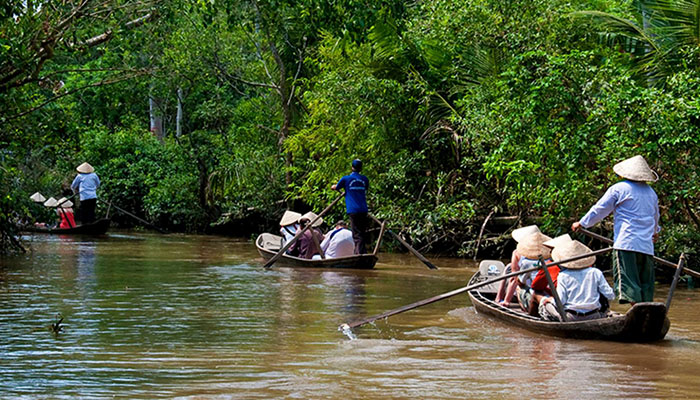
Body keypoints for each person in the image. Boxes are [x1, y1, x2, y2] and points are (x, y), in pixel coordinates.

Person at [571, 155, 660, 305]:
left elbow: (600, 209)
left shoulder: (619, 188)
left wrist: (582, 223)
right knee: (644, 284)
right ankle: (645, 312)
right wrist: (655, 232)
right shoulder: (651, 193)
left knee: (629, 284)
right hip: (646, 246)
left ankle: (638, 313)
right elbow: (655, 216)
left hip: (626, 243)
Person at [539, 240, 615, 322]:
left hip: (571, 317)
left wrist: (549, 300)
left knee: (545, 304)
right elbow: (610, 295)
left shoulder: (563, 275)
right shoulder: (595, 272)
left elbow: (561, 301)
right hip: (594, 316)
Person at [504, 232, 552, 313]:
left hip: (534, 296)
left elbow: (519, 282)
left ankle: (517, 306)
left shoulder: (526, 262)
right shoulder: (551, 261)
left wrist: (506, 301)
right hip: (549, 294)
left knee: (518, 285)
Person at [332, 159, 370, 254]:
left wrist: (334, 187)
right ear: (360, 168)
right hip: (363, 209)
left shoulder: (346, 179)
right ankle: (362, 252)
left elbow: (337, 187)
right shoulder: (364, 179)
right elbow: (365, 188)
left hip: (353, 210)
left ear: (352, 168)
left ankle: (359, 254)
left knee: (356, 234)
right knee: (362, 233)